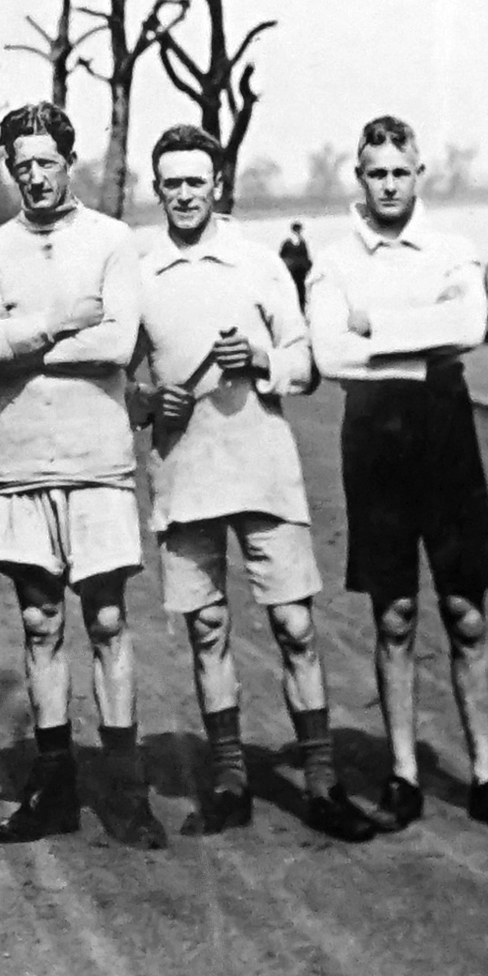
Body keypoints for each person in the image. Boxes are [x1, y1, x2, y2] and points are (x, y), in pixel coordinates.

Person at [131, 127, 376, 844]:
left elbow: (306, 362)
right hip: (186, 472)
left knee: (295, 624)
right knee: (207, 627)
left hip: (263, 468)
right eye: (172, 183)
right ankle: (229, 779)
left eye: (196, 181)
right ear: (157, 188)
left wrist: (263, 357)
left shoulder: (260, 263)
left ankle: (322, 781)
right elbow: (122, 379)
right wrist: (150, 400)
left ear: (217, 184)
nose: (184, 195)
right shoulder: (141, 272)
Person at [306, 114, 488, 834]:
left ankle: (486, 775)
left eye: (400, 172)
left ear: (419, 174)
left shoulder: (453, 250)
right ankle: (403, 774)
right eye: (376, 173)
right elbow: (329, 356)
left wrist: (374, 325)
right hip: (374, 438)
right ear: (360, 178)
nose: (389, 185)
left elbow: (470, 327)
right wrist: (420, 337)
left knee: (466, 611)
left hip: (445, 431)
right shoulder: (332, 261)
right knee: (394, 613)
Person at [0, 102, 165, 849]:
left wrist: (24, 345)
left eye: (47, 162)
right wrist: (56, 324)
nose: (36, 177)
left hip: (97, 455)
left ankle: (127, 791)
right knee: (40, 621)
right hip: (22, 457)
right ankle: (53, 787)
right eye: (22, 165)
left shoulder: (111, 239)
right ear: (9, 168)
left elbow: (116, 342)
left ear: (69, 162)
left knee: (106, 618)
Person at [278, 221, 312, 302]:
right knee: (299, 287)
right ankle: (301, 303)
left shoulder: (291, 242)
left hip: (295, 268)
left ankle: (300, 302)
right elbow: (305, 256)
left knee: (298, 287)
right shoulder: (298, 242)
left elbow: (281, 256)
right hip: (297, 268)